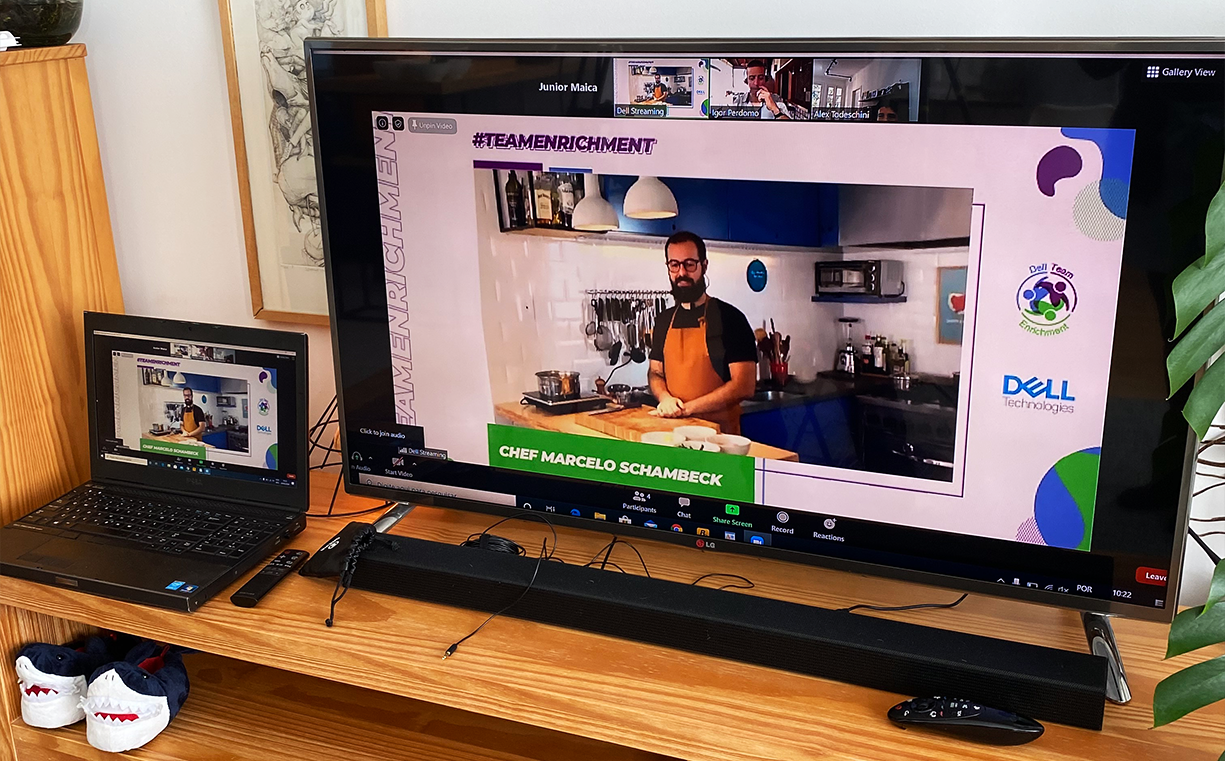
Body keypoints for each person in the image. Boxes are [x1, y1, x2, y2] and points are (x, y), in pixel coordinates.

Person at [648, 232, 758, 435]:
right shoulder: (663, 321)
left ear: (704, 266)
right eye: (674, 265)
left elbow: (744, 385)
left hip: (720, 438)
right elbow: (656, 372)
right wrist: (665, 398)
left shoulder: (730, 318)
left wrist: (687, 409)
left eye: (689, 264)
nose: (681, 272)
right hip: (674, 434)